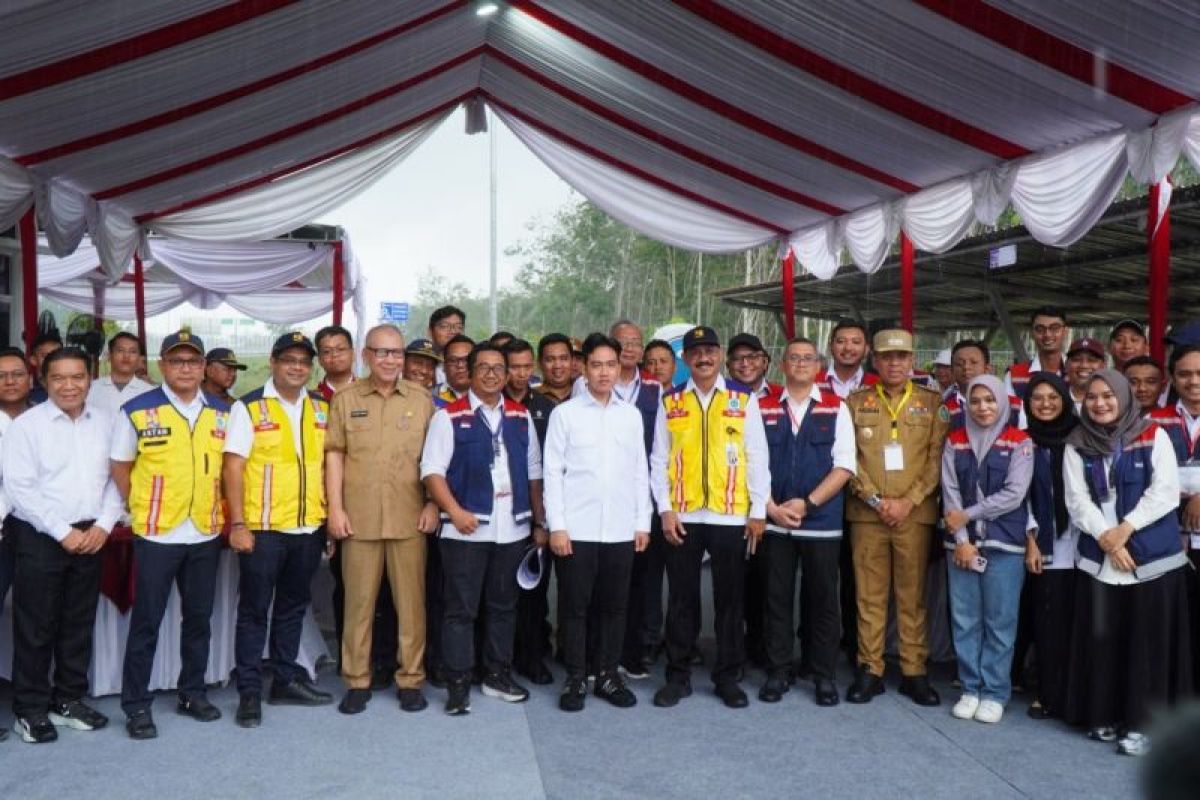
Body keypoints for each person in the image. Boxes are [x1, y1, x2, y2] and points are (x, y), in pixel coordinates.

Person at [1062, 370, 1191, 756]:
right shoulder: (1077, 443)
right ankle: (1103, 715)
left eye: (1108, 396)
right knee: (1105, 642)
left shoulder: (1154, 435)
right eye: (1092, 397)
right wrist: (1108, 538)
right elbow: (1076, 499)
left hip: (1151, 557)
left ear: (1123, 396)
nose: (1100, 403)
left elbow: (1165, 492)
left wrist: (1125, 530)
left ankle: (1143, 725)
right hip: (1102, 560)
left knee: (1147, 646)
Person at [110, 331, 229, 739]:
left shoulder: (221, 411)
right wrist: (140, 505)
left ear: (203, 368)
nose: (185, 368)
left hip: (204, 531)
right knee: (147, 621)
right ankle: (136, 704)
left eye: (192, 362)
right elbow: (120, 467)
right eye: (177, 361)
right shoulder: (138, 409)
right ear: (162, 364)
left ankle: (191, 692)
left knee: (198, 619)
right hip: (158, 533)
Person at [3, 347, 123, 743]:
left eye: (77, 377)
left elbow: (117, 479)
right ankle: (31, 709)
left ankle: (68, 699)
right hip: (40, 536)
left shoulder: (107, 421)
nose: (69, 385)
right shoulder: (27, 426)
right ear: (44, 381)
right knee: (36, 627)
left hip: (92, 535)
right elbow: (21, 489)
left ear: (90, 379)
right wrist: (61, 532)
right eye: (59, 378)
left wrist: (104, 525)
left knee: (78, 622)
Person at [420, 342, 546, 715]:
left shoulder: (521, 417)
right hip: (465, 532)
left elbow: (535, 475)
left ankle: (496, 674)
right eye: (484, 368)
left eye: (498, 369)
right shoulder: (449, 416)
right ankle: (458, 683)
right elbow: (431, 472)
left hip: (512, 529)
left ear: (507, 375)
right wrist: (455, 512)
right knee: (460, 610)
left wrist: (539, 521)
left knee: (503, 607)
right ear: (469, 373)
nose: (491, 375)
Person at [649, 325, 768, 710]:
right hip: (683, 513)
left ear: (720, 356)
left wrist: (758, 510)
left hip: (730, 515)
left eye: (710, 351)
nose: (703, 357)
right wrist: (665, 509)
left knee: (730, 602)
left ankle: (727, 678)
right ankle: (678, 677)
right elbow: (658, 459)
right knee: (682, 599)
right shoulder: (670, 402)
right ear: (686, 359)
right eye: (695, 352)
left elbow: (757, 455)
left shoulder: (743, 399)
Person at [326, 325, 438, 715]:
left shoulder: (423, 400)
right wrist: (335, 510)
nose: (390, 360)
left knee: (411, 605)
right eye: (382, 353)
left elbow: (435, 460)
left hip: (410, 518)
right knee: (358, 605)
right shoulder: (345, 399)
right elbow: (335, 455)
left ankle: (410, 678)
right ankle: (357, 680)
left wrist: (432, 505)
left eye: (396, 354)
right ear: (366, 355)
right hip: (359, 519)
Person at [223, 332, 333, 728]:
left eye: (304, 362)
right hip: (263, 528)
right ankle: (249, 692)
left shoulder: (321, 407)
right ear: (272, 362)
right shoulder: (249, 408)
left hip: (307, 527)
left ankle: (284, 680)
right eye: (289, 360)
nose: (297, 368)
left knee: (292, 608)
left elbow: (326, 468)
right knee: (254, 611)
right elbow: (232, 467)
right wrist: (238, 523)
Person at [544, 333, 651, 711]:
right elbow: (552, 473)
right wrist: (557, 525)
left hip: (621, 529)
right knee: (575, 607)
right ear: (583, 368)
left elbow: (640, 471)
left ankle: (607, 675)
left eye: (611, 364)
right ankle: (575, 677)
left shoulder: (630, 415)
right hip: (578, 529)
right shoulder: (565, 414)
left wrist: (643, 522)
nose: (604, 372)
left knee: (614, 607)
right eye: (596, 365)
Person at [844, 329, 949, 707]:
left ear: (912, 359)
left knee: (912, 596)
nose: (894, 363)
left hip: (914, 514)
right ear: (875, 360)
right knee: (869, 596)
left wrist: (909, 501)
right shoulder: (855, 402)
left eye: (901, 357)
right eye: (887, 357)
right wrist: (875, 498)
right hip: (867, 514)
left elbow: (937, 458)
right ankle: (869, 669)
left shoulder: (932, 403)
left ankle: (913, 671)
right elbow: (849, 456)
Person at [758, 337, 855, 707]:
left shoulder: (836, 407)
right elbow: (752, 462)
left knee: (822, 602)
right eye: (793, 358)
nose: (800, 363)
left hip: (821, 523)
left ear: (818, 365)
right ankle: (778, 671)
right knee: (777, 600)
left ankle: (823, 674)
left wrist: (809, 503)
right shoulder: (762, 406)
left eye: (807, 358)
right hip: (775, 520)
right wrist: (770, 507)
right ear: (781, 365)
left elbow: (845, 465)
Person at [941, 375, 1034, 724]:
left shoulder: (1020, 442)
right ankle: (970, 688)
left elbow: (1015, 494)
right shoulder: (955, 440)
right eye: (976, 400)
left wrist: (968, 514)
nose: (983, 407)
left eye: (990, 400)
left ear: (1003, 403)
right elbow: (949, 491)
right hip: (961, 545)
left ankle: (995, 692)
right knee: (965, 620)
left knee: (1000, 622)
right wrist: (962, 541)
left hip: (1004, 545)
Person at [1022, 373, 1080, 721]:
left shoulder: (1083, 436)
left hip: (1086, 543)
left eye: (1052, 397)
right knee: (1049, 620)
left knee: (1081, 620)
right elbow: (1021, 497)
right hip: (1046, 544)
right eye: (1037, 398)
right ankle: (1048, 692)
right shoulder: (1024, 441)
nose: (1045, 404)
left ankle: (1076, 692)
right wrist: (1030, 540)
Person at [504, 338, 558, 686]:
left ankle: (532, 658)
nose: (521, 373)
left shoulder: (547, 408)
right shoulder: (494, 403)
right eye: (514, 366)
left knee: (534, 592)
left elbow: (551, 467)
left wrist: (544, 521)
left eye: (527, 366)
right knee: (499, 592)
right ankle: (498, 658)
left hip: (537, 514)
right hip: (500, 513)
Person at [1148, 344, 1200, 690]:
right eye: (1184, 374)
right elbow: (1147, 476)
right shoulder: (1156, 420)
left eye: (1199, 373)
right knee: (1173, 624)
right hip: (1168, 543)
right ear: (1172, 378)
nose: (1194, 381)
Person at [0, 346, 32, 741]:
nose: (8, 381)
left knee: (34, 620)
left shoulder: (45, 419)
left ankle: (31, 704)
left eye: (16, 374)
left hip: (39, 531)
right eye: (1, 375)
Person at [943, 340, 1022, 431]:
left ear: (987, 369)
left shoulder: (1015, 406)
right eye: (959, 364)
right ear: (952, 370)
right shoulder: (944, 408)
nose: (966, 367)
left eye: (973, 362)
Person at [1006, 307, 1069, 399]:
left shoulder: (1077, 373)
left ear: (1065, 332)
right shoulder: (1014, 375)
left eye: (1054, 328)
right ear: (1032, 333)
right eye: (1040, 329)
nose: (1047, 334)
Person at [87, 332, 153, 416]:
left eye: (133, 352)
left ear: (139, 358)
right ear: (109, 356)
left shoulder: (149, 392)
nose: (126, 356)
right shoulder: (90, 389)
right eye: (120, 350)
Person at [817, 320, 877, 399]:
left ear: (866, 349)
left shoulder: (878, 385)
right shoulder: (812, 383)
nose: (848, 348)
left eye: (856, 342)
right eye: (841, 341)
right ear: (830, 347)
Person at [1065, 338, 1107, 413]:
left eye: (1092, 360)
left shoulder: (1112, 402)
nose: (1084, 365)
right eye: (1077, 359)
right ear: (1066, 365)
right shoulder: (1056, 399)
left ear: (1103, 366)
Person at [428, 305, 466, 386]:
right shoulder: (423, 365)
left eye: (458, 327)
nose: (453, 331)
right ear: (430, 332)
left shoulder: (472, 363)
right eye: (444, 326)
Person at [315, 325, 355, 400]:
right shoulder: (312, 398)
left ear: (353, 354)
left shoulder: (369, 394)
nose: (334, 355)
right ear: (319, 360)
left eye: (341, 349)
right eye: (327, 351)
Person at [435, 334, 474, 406]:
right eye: (453, 360)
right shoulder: (429, 398)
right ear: (444, 366)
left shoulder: (488, 396)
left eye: (467, 360)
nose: (460, 365)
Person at [537, 333, 575, 405]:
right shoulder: (530, 398)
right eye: (550, 360)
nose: (557, 366)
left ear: (572, 361)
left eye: (563, 358)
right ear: (539, 364)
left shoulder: (583, 393)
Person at [28, 331, 64, 405]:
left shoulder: (71, 387)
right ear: (33, 360)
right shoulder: (26, 389)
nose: (52, 359)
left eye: (57, 354)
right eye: (45, 356)